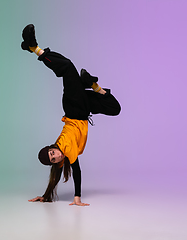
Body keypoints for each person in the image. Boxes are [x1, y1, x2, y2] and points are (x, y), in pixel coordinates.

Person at [21, 24, 121, 206]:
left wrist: (77, 198)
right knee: (115, 109)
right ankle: (92, 85)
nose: (56, 156)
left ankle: (34, 48)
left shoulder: (66, 148)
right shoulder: (62, 157)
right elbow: (56, 176)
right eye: (54, 158)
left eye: (52, 153)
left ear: (52, 147)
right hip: (84, 110)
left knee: (67, 67)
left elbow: (77, 171)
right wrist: (45, 196)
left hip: (74, 108)